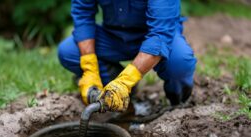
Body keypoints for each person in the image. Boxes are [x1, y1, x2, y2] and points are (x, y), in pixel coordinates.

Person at [58, 0, 197, 112]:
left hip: (154, 35)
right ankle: (118, 87)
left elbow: (160, 35)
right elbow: (83, 15)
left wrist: (127, 80)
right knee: (69, 51)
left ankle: (178, 106)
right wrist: (89, 68)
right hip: (113, 36)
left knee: (180, 62)